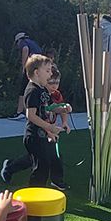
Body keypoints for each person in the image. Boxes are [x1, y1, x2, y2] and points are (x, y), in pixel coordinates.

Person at [22, 54, 70, 190]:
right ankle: (34, 197)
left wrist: (63, 108)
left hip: (43, 134)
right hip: (34, 136)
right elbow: (31, 115)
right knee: (40, 168)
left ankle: (39, 194)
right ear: (37, 73)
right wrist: (50, 127)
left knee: (46, 163)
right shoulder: (32, 91)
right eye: (47, 71)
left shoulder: (42, 90)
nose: (50, 74)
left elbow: (49, 108)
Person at [9, 32, 44, 120]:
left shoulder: (23, 42)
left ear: (18, 40)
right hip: (40, 67)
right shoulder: (33, 42)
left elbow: (25, 49)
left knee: (23, 89)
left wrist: (24, 66)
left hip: (31, 67)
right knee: (35, 88)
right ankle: (36, 111)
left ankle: (20, 112)